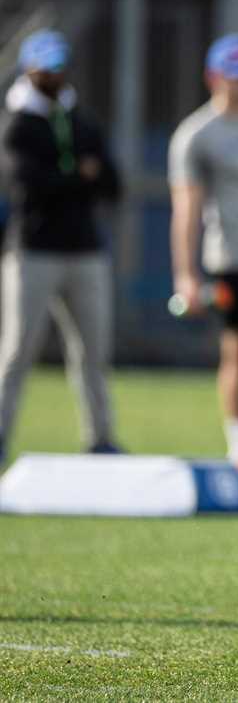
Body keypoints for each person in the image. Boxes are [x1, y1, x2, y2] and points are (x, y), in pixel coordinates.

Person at [0, 30, 122, 463]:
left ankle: (101, 437)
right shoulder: (18, 123)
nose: (52, 74)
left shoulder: (81, 119)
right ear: (30, 69)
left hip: (85, 250)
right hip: (33, 251)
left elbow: (111, 181)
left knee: (93, 352)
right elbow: (30, 187)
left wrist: (73, 177)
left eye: (57, 66)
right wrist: (77, 176)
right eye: (44, 67)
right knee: (17, 351)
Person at [169, 33, 238, 470]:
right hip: (233, 259)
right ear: (214, 78)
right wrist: (186, 275)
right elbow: (186, 210)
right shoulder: (197, 135)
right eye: (236, 77)